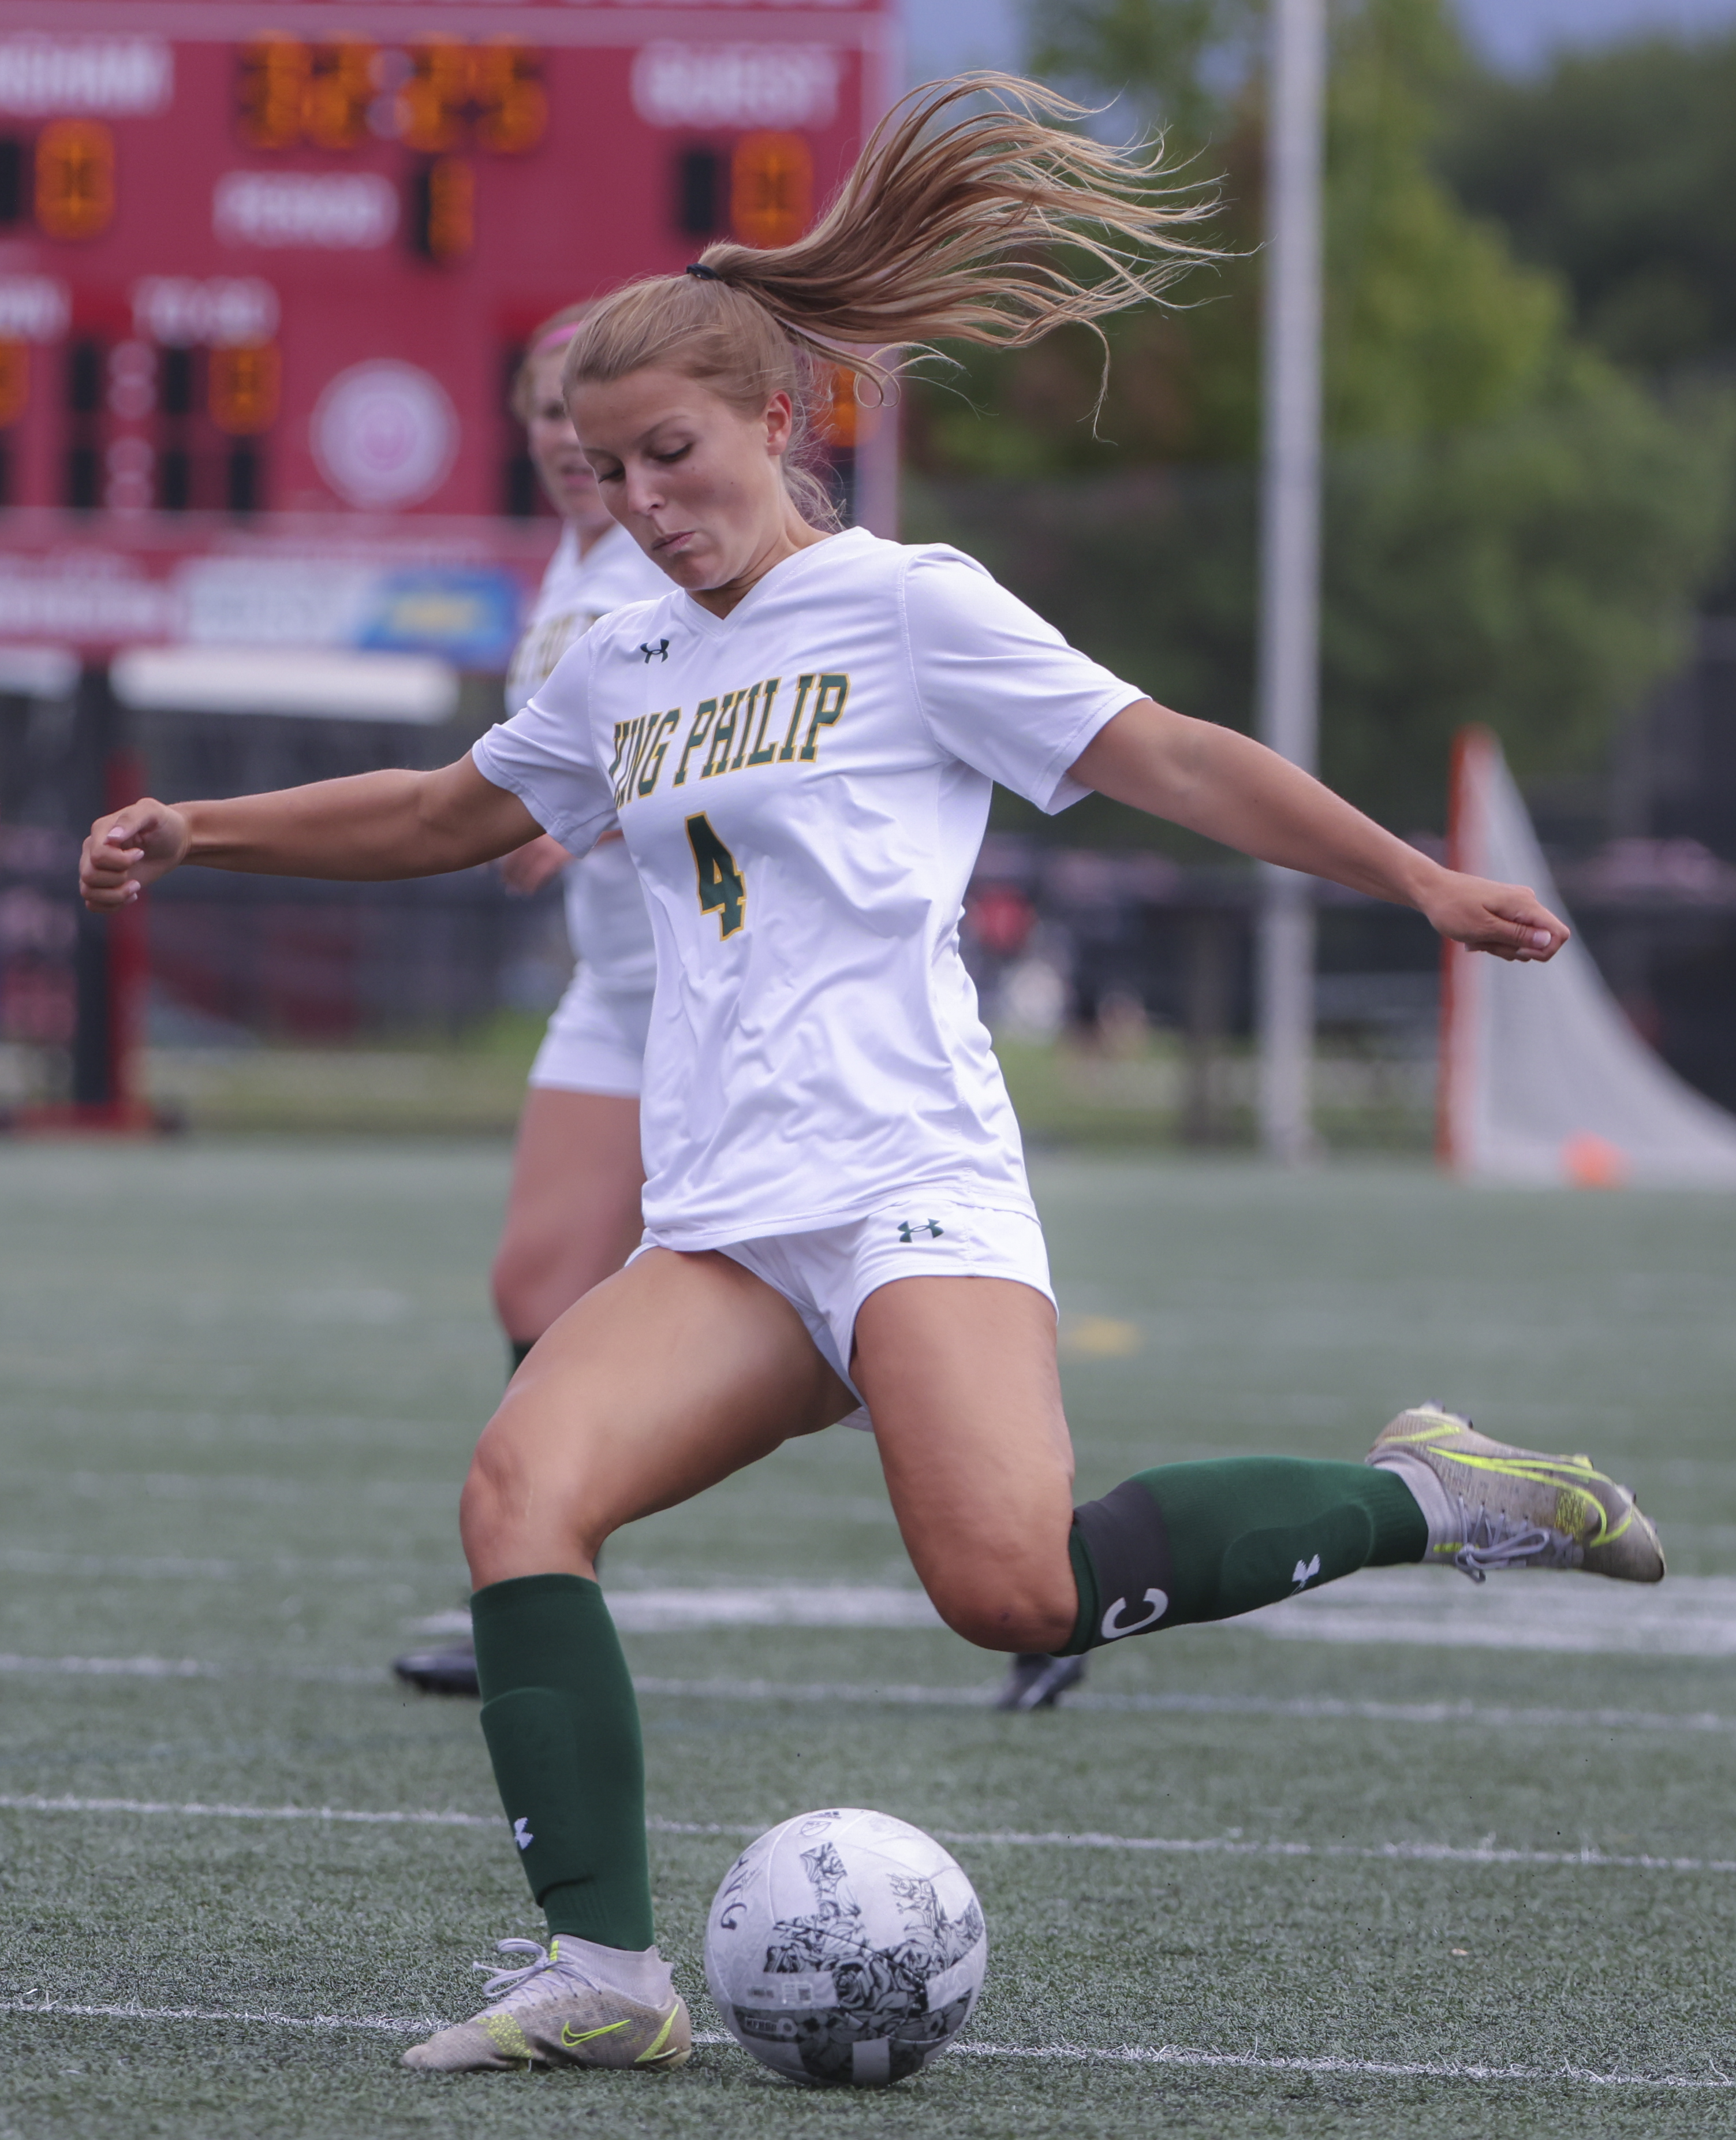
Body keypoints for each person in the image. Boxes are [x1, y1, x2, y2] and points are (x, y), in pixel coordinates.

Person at [80, 77, 1663, 2074]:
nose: (645, 500)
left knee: (1017, 1588)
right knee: (522, 1485)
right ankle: (606, 1971)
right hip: (730, 1223)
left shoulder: (913, 609)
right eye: (605, 466)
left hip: (913, 1182)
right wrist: (203, 826)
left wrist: (1414, 873)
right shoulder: (617, 660)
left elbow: (1168, 752)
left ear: (783, 420)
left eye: (671, 453)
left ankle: (1437, 1492)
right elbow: (436, 809)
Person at [392, 307, 671, 1700]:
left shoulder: (677, 554)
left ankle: (1046, 1571)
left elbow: (711, 736)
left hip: (714, 993)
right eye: (548, 409)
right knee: (534, 1285)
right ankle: (534, 1584)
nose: (570, 436)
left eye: (594, 410)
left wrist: (581, 821)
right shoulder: (568, 564)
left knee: (860, 1335)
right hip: (612, 988)